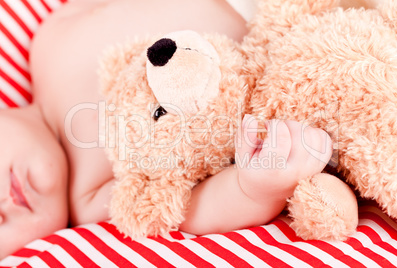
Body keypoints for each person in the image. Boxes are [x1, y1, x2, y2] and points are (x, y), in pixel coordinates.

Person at [0, 0, 333, 259]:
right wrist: (253, 188)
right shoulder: (90, 201)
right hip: (306, 71)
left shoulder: (47, 42)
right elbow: (193, 209)